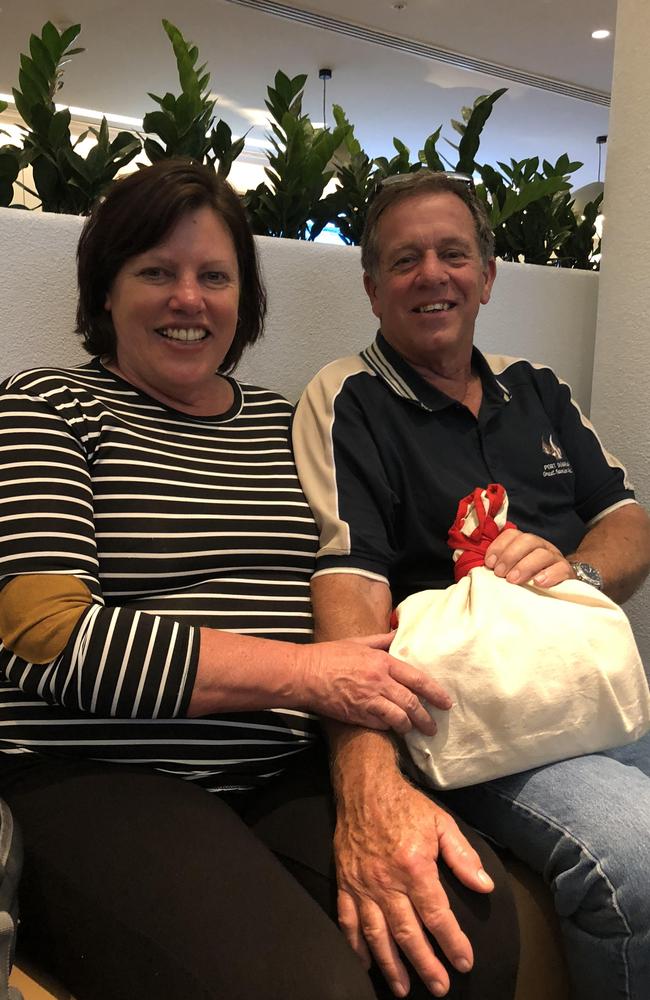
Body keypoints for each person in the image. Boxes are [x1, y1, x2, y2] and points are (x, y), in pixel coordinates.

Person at [0, 160, 518, 1000]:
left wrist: (369, 770)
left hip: (283, 765)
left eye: (215, 276)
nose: (189, 299)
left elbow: (364, 582)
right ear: (105, 291)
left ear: (245, 298)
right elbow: (47, 635)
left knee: (474, 936)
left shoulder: (292, 421)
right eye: (155, 273)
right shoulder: (46, 406)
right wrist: (312, 675)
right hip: (95, 772)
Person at [292, 169, 650, 1000]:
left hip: (593, 690)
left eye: (454, 254)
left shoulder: (541, 387)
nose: (433, 275)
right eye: (405, 259)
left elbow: (631, 522)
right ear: (374, 288)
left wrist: (576, 570)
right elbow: (347, 590)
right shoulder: (347, 398)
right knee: (634, 854)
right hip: (472, 723)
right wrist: (364, 774)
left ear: (487, 276)